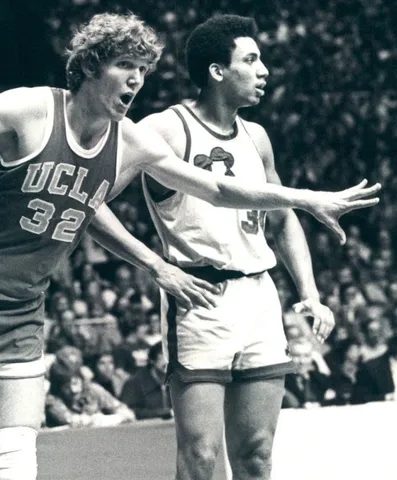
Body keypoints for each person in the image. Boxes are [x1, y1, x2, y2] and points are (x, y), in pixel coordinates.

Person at [0, 12, 378, 480]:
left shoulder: (131, 141)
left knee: (17, 465)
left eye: (143, 70)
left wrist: (304, 198)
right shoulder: (32, 108)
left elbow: (216, 189)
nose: (136, 80)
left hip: (22, 305)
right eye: (125, 65)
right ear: (90, 67)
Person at [135, 14, 377, 480]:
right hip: (199, 296)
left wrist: (309, 293)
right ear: (216, 71)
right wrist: (153, 264)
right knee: (201, 457)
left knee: (257, 454)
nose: (264, 70)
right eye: (250, 60)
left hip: (260, 297)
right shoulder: (166, 128)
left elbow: (282, 217)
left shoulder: (257, 136)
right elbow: (95, 196)